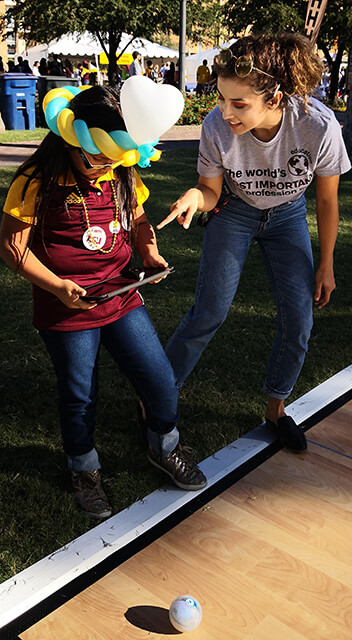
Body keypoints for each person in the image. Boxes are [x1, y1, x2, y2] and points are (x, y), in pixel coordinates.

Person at [0, 85, 207, 520]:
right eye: (97, 156)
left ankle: (164, 445)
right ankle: (84, 469)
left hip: (119, 293)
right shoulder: (37, 179)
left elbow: (138, 218)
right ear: (72, 139)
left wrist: (148, 251)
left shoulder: (121, 170)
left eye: (115, 158)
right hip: (65, 306)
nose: (106, 166)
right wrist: (57, 286)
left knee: (160, 380)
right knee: (79, 395)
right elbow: (10, 246)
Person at [157, 33, 351, 453]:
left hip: (288, 215)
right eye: (222, 99)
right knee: (209, 311)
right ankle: (157, 397)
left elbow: (327, 198)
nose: (225, 112)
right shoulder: (215, 127)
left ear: (276, 97)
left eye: (238, 103)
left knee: (299, 320)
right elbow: (209, 191)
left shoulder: (318, 125)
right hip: (235, 211)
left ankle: (276, 409)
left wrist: (327, 262)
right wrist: (197, 196)